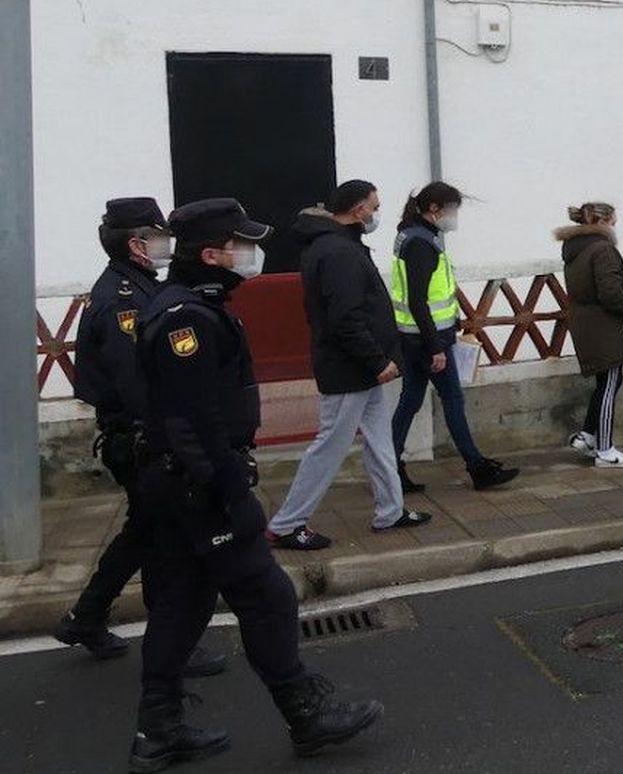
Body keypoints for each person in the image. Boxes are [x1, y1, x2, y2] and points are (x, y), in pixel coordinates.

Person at [130, 198, 381, 771]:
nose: (252, 251)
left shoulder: (196, 305)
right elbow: (191, 423)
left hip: (175, 484)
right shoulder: (186, 318)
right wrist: (229, 495)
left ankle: (157, 730)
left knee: (183, 603)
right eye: (241, 242)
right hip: (197, 488)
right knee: (267, 597)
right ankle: (306, 717)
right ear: (212, 254)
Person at [53, 198, 226, 679]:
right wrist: (176, 441)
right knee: (166, 540)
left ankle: (86, 618)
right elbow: (141, 386)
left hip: (141, 438)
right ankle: (172, 642)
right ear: (136, 244)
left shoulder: (141, 287)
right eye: (158, 236)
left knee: (145, 531)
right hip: (140, 439)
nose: (165, 245)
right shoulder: (123, 301)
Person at [267, 181, 431, 551]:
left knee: (379, 439)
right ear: (358, 210)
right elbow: (345, 317)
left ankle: (391, 510)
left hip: (359, 366)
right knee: (330, 445)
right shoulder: (338, 251)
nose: (376, 213)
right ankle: (286, 523)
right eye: (374, 206)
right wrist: (376, 361)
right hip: (351, 368)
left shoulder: (338, 246)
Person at [389, 182, 518, 491]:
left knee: (410, 400)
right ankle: (477, 468)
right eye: (452, 209)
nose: (454, 216)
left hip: (415, 337)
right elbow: (419, 300)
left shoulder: (412, 235)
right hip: (428, 340)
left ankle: (389, 467)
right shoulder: (421, 243)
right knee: (452, 400)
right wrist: (436, 346)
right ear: (434, 209)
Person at [557, 202, 623, 469]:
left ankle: (588, 437)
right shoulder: (602, 249)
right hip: (602, 324)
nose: (615, 225)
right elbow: (610, 292)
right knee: (610, 382)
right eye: (614, 220)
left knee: (608, 381)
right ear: (603, 222)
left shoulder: (574, 248)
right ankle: (605, 450)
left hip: (585, 322)